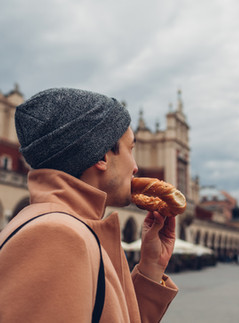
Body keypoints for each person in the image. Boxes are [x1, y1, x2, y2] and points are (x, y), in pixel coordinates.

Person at [0, 88, 178, 322]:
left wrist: (151, 267)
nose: (135, 167)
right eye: (130, 149)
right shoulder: (56, 234)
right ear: (101, 157)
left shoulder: (72, 227)